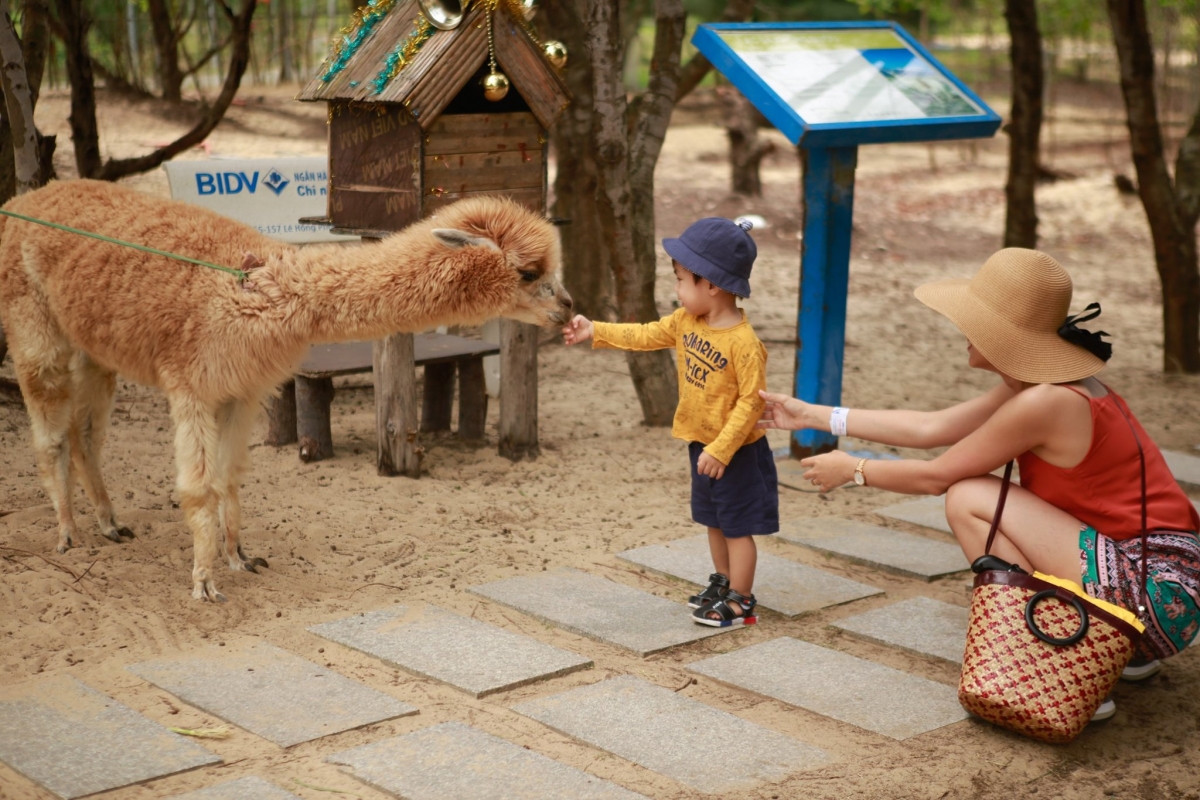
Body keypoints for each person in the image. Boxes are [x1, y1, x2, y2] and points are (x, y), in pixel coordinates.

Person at [758, 248, 1200, 718]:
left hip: (1155, 594)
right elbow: (933, 428)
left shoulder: (1045, 402)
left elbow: (935, 475)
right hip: (1166, 584)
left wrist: (856, 471)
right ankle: (1123, 653)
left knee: (969, 496)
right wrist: (812, 415)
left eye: (972, 320)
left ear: (1001, 335)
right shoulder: (1041, 387)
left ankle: (1062, 669)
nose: (961, 330)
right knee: (979, 493)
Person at [563, 217, 777, 627]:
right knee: (713, 520)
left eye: (681, 280)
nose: (676, 290)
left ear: (710, 284)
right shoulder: (686, 322)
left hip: (735, 452)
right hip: (701, 444)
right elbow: (645, 335)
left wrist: (721, 448)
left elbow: (752, 403)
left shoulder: (745, 345)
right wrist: (595, 330)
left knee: (736, 527)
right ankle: (724, 582)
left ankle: (742, 600)